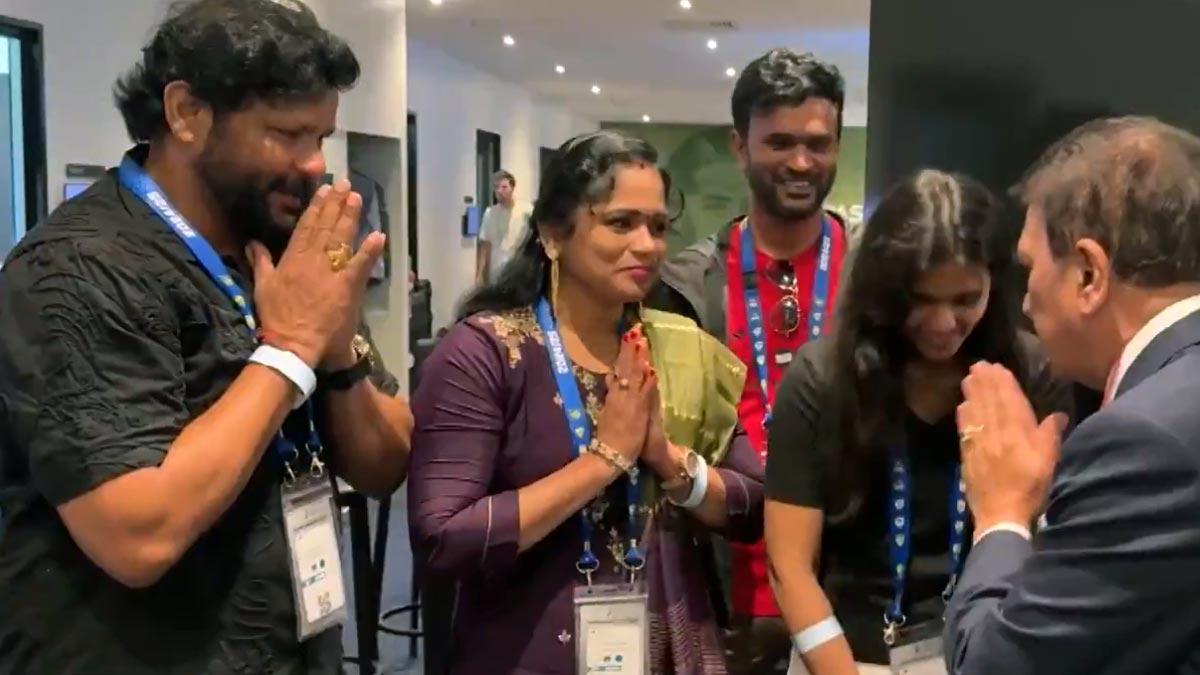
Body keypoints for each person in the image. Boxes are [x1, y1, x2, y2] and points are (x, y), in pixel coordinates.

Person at [0, 1, 413, 672]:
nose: (313, 165)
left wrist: (335, 350)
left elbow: (385, 461)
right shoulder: (78, 268)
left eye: (323, 137)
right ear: (186, 113)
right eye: (286, 133)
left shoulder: (287, 247)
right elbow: (136, 534)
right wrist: (288, 349)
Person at [408, 130, 765, 674]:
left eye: (658, 226)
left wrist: (671, 462)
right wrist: (603, 461)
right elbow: (444, 538)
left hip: (665, 649)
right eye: (621, 223)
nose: (647, 245)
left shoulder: (679, 349)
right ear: (553, 235)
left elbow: (753, 504)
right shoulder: (487, 352)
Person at [765, 170, 1072, 674]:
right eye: (921, 300)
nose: (943, 323)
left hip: (981, 650)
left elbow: (1047, 542)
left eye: (965, 300)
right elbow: (789, 566)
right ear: (885, 290)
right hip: (843, 654)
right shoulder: (823, 379)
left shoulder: (1029, 373)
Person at [946, 117, 1200, 674]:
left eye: (1030, 267)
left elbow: (993, 667)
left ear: (1088, 274)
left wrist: (1002, 512)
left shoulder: (1144, 441)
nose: (1027, 302)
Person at [648, 48, 851, 674]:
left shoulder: (876, 276)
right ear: (740, 146)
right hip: (721, 586)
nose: (800, 161)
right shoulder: (683, 285)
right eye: (779, 142)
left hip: (847, 591)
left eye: (818, 143)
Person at [475, 169, 532, 284]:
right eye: (496, 188)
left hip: (520, 271)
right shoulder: (490, 213)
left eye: (504, 187)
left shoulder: (527, 210)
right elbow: (485, 244)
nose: (500, 191)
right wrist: (480, 274)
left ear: (512, 188)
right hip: (497, 272)